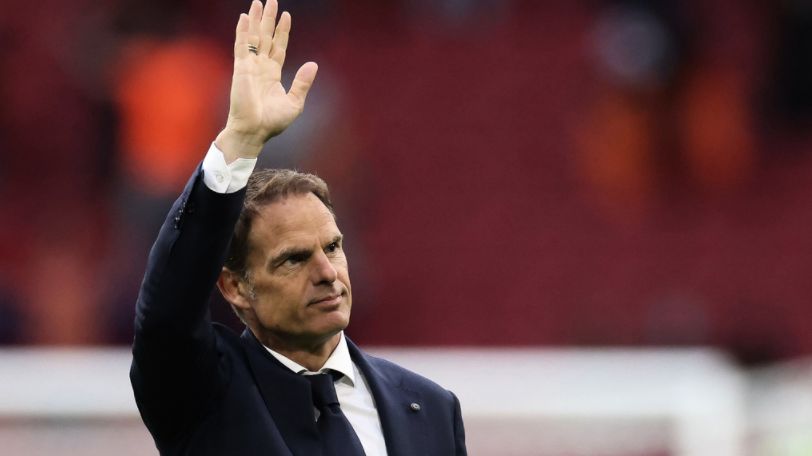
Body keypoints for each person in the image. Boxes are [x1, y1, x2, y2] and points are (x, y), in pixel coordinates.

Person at [129, 1, 467, 455]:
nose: (327, 272)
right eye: (293, 259)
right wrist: (240, 141)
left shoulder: (432, 409)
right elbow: (167, 315)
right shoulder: (203, 396)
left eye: (333, 247)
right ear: (235, 286)